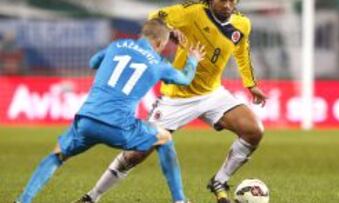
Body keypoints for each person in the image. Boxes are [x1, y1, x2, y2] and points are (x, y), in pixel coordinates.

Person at [77, 0, 268, 203]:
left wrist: (250, 83)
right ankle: (91, 197)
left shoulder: (242, 23)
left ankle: (219, 181)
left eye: (232, 0)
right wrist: (172, 29)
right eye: (222, 0)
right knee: (136, 154)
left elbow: (241, 51)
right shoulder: (191, 11)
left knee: (254, 130)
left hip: (212, 94)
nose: (228, 4)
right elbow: (154, 18)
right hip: (177, 97)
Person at [14, 19, 205, 203]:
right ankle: (179, 200)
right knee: (164, 138)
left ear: (142, 35)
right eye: (162, 45)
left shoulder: (117, 45)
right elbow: (186, 79)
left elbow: (92, 63)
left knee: (57, 154)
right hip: (120, 127)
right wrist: (193, 60)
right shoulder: (159, 64)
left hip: (87, 120)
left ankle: (23, 200)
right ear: (158, 42)